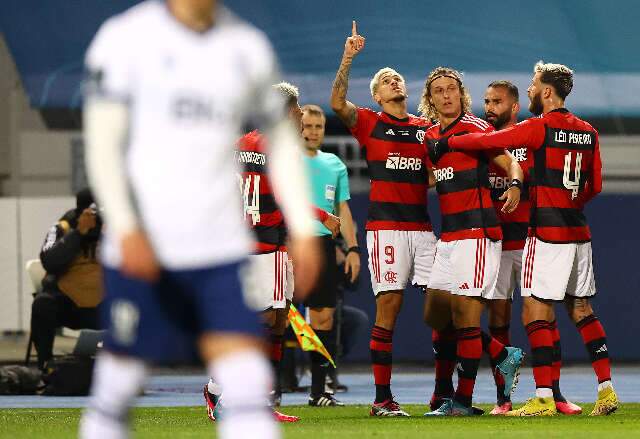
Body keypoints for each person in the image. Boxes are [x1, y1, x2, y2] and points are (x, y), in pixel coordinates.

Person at [79, 1, 321, 438]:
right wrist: (126, 222)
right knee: (121, 382)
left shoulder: (247, 47)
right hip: (150, 237)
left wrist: (303, 228)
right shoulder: (124, 39)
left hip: (222, 245)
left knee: (246, 382)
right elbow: (101, 143)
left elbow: (283, 146)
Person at [440, 61, 618, 416]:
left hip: (546, 233)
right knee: (582, 309)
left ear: (547, 91)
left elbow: (491, 140)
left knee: (535, 311)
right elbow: (595, 185)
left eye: (535, 85)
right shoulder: (589, 131)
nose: (532, 90)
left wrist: (452, 139)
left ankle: (542, 397)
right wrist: (570, 205)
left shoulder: (538, 127)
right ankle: (606, 390)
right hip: (578, 231)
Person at [203, 83, 332, 423]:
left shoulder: (239, 144)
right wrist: (324, 217)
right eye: (297, 107)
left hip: (249, 244)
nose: (302, 113)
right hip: (265, 245)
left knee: (275, 321)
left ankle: (230, 391)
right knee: (264, 323)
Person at [331, 21, 435, 417]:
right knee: (388, 308)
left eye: (397, 78)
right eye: (386, 80)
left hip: (423, 229)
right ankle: (382, 400)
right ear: (376, 94)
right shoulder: (371, 123)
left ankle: (443, 396)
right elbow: (338, 103)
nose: (394, 82)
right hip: (386, 229)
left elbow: (434, 173)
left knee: (442, 307)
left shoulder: (425, 129)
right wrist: (348, 57)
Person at [419, 67, 525, 416]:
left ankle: (461, 402)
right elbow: (433, 178)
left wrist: (514, 184)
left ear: (461, 94)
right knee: (437, 315)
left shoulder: (476, 128)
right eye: (439, 91)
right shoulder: (431, 136)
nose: (446, 95)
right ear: (430, 99)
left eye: (452, 89)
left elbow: (511, 162)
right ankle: (500, 353)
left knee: (465, 320)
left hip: (477, 236)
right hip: (448, 237)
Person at [483, 80, 580, 415]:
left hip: (530, 241)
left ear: (513, 107)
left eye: (497, 102)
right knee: (498, 318)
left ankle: (555, 394)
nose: (490, 107)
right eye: (486, 101)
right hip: (494, 243)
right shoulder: (485, 143)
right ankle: (503, 399)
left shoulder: (529, 135)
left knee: (543, 317)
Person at [300, 104, 361, 407]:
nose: (313, 132)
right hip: (288, 242)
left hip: (323, 245)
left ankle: (318, 390)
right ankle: (269, 389)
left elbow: (344, 210)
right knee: (274, 317)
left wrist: (352, 249)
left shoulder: (335, 164)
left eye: (318, 126)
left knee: (324, 317)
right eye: (308, 126)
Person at [31, 188, 102, 371]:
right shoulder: (60, 228)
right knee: (42, 304)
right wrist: (78, 234)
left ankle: (130, 369)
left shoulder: (115, 228)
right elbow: (49, 262)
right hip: (70, 306)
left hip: (103, 306)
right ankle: (46, 366)